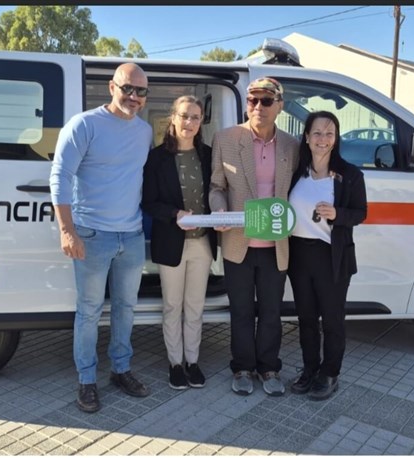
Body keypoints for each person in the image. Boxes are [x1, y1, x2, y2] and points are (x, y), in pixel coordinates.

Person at [49, 63, 153, 413]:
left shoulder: (144, 132)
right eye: (128, 88)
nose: (134, 97)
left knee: (126, 308)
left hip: (132, 234)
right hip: (92, 235)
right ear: (112, 87)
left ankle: (120, 371)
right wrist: (66, 229)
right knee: (90, 311)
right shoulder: (85, 125)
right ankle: (87, 380)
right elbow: (60, 176)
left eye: (141, 91)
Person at [209, 77, 299, 396]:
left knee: (272, 311)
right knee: (242, 310)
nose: (258, 106)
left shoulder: (292, 145)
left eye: (266, 100)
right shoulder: (226, 138)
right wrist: (219, 211)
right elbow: (217, 187)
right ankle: (243, 367)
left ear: (280, 106)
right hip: (238, 242)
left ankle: (269, 367)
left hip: (277, 244)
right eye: (252, 100)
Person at [286, 111, 367, 401]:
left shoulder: (349, 175)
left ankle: (330, 373)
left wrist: (337, 215)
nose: (322, 139)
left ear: (336, 139)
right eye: (317, 133)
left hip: (331, 257)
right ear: (306, 138)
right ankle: (310, 370)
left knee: (332, 320)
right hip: (299, 254)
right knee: (306, 319)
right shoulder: (298, 172)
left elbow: (360, 213)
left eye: (329, 133)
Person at [142, 95, 217, 390]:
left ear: (201, 123)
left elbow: (218, 191)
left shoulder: (208, 156)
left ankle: (193, 362)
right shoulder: (157, 158)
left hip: (202, 242)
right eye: (184, 116)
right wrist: (175, 213)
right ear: (173, 118)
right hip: (171, 243)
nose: (189, 123)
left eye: (195, 117)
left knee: (195, 306)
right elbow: (149, 203)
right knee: (173, 305)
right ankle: (175, 364)